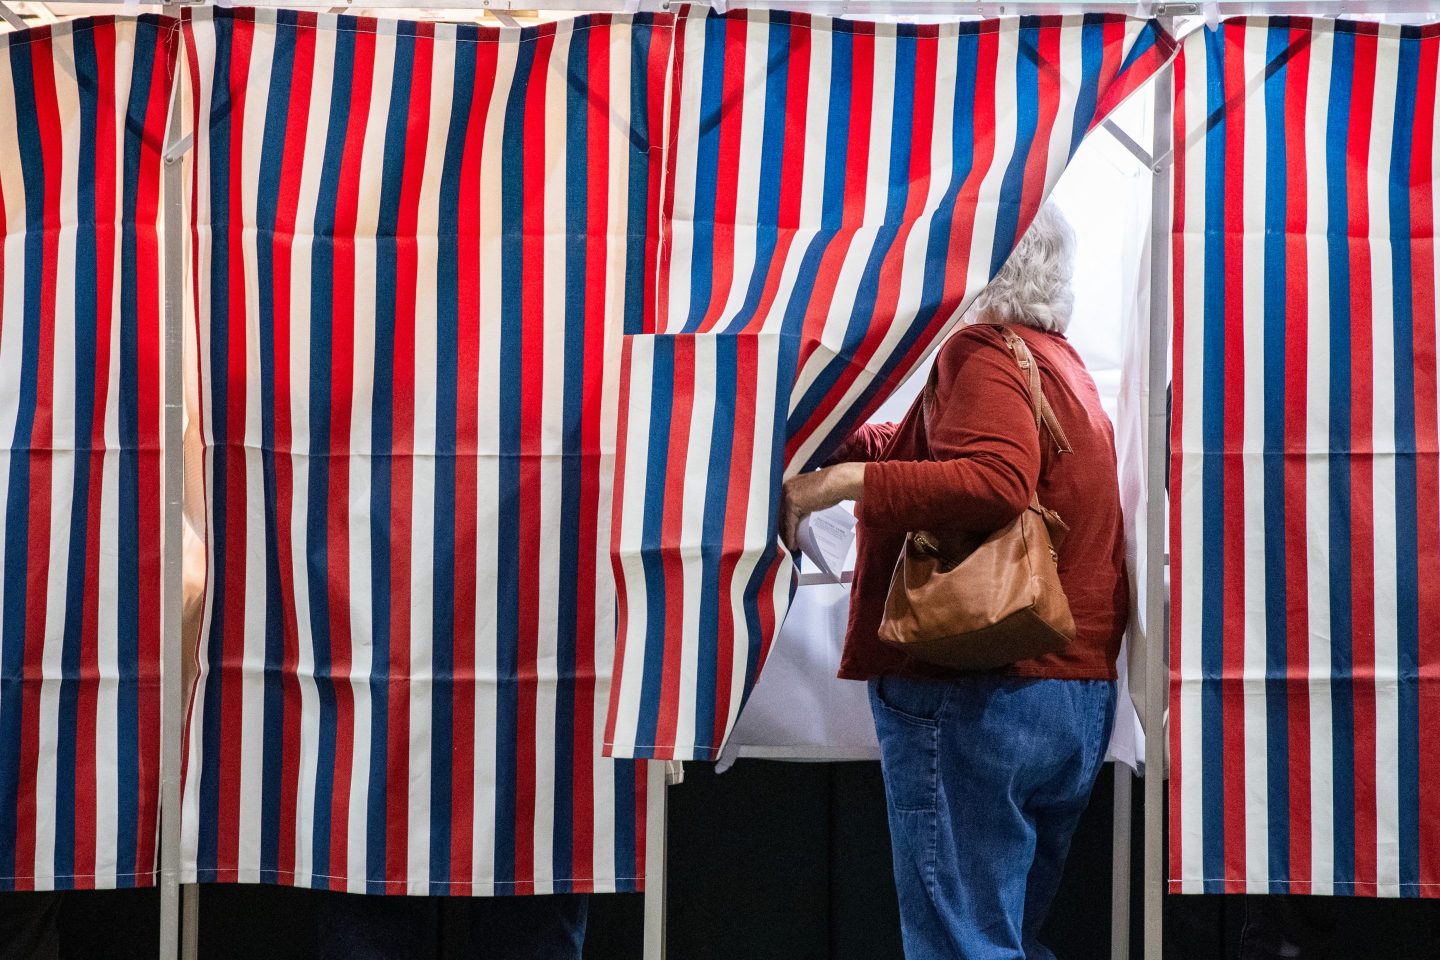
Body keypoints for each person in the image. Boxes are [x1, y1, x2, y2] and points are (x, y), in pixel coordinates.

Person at [781, 205, 1128, 960]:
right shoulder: (1055, 363)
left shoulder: (981, 353)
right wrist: (852, 435)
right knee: (1005, 940)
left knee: (962, 945)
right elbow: (950, 453)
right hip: (1068, 695)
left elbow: (994, 480)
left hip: (978, 689)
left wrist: (838, 481)